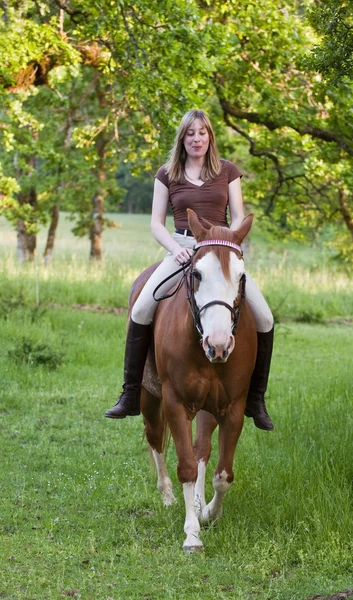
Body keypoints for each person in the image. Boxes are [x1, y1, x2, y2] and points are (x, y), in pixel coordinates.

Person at [105, 109, 275, 430]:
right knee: (141, 309)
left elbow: (238, 216)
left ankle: (256, 399)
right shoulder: (167, 173)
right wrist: (175, 249)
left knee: (265, 317)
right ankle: (130, 393)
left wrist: (230, 242)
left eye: (202, 133)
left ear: (210, 136)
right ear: (182, 139)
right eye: (190, 134)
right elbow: (156, 223)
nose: (196, 139)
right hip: (183, 250)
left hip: (221, 254)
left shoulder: (228, 171)